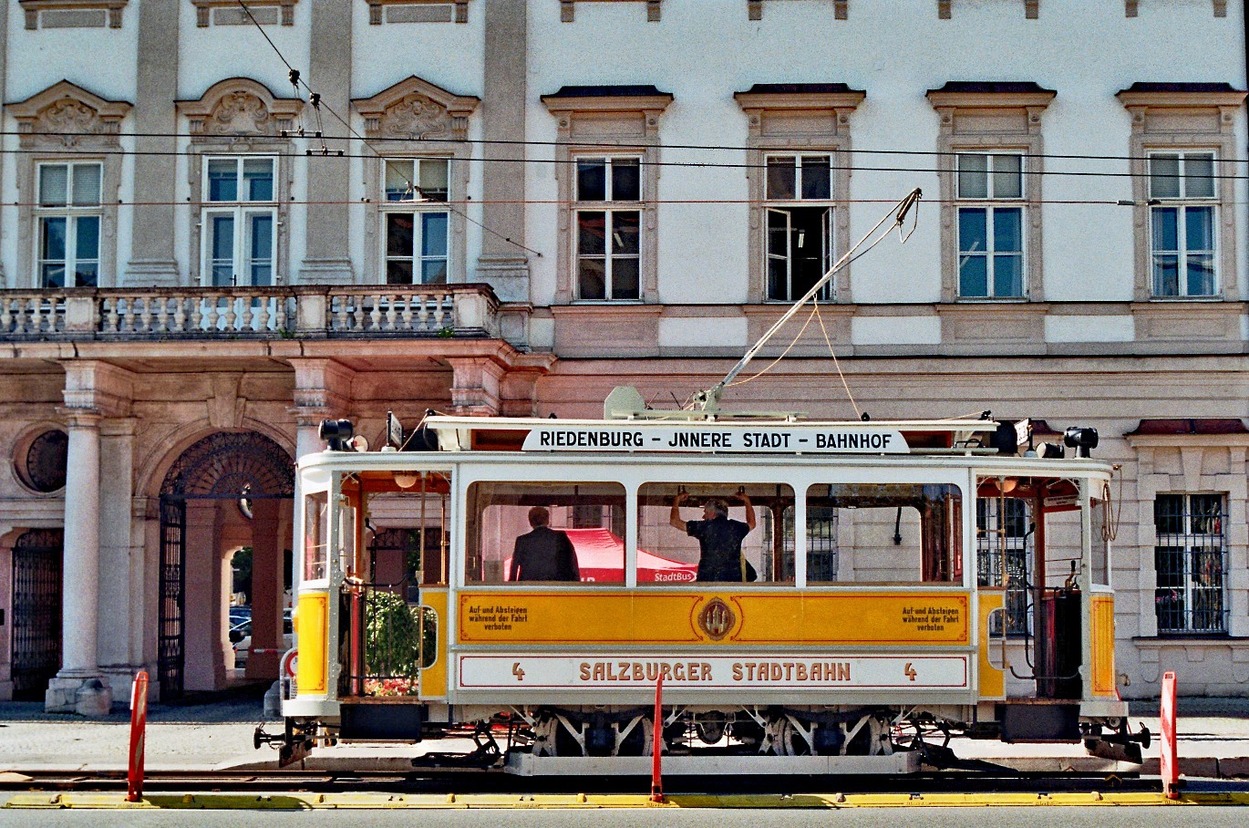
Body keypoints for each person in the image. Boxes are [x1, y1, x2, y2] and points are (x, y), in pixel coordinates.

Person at [669, 490, 757, 582]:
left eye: (705, 512)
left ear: (712, 513)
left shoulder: (705, 527)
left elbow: (674, 521)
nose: (703, 517)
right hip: (733, 582)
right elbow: (752, 523)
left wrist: (676, 500)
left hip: (707, 580)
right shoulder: (736, 527)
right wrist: (747, 501)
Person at [509, 506, 581, 582]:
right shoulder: (560, 537)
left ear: (530, 522)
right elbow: (573, 564)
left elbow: (514, 569)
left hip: (528, 588)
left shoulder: (522, 541)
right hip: (556, 587)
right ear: (547, 520)